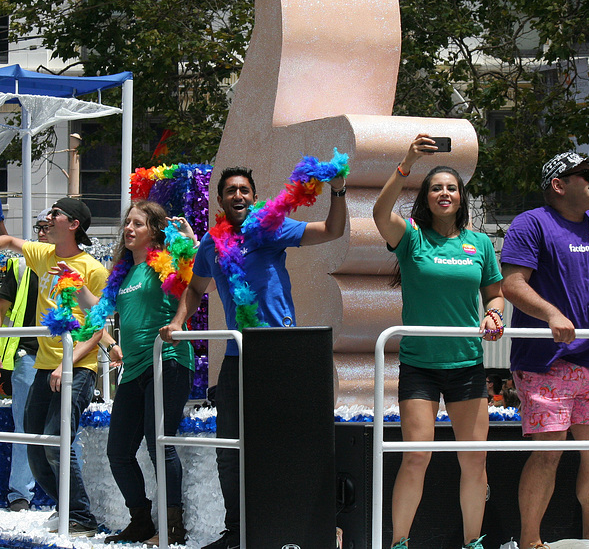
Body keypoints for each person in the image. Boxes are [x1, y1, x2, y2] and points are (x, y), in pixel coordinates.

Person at [160, 162, 347, 549]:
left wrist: (339, 191)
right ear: (221, 199)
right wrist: (179, 322)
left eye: (245, 189)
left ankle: (307, 529)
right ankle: (238, 531)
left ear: (254, 196)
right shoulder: (212, 242)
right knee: (230, 451)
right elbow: (195, 289)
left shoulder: (271, 228)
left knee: (289, 444)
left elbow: (331, 231)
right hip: (238, 354)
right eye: (231, 190)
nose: (238, 196)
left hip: (282, 351)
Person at [501, 151, 589, 549]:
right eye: (584, 174)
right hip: (544, 362)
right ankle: (530, 542)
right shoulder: (532, 223)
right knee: (548, 455)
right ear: (559, 186)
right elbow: (512, 284)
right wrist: (551, 315)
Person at [372, 134, 504, 549]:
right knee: (416, 457)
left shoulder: (480, 243)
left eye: (451, 187)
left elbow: (494, 292)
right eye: (436, 188)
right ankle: (399, 542)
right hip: (419, 366)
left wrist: (494, 312)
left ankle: (472, 542)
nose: (444, 193)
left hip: (467, 364)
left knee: (474, 460)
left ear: (460, 197)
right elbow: (379, 212)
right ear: (426, 198)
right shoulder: (411, 237)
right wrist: (407, 161)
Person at [54, 201, 197, 545]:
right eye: (127, 223)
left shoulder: (161, 263)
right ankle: (142, 520)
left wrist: (188, 247)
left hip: (168, 361)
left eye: (138, 223)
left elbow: (191, 282)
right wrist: (72, 282)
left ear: (155, 231)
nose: (129, 228)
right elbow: (99, 308)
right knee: (118, 452)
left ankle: (173, 527)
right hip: (133, 370)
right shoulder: (124, 272)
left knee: (158, 444)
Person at [0, 198, 108, 536]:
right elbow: (7, 241)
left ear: (73, 224)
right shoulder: (43, 255)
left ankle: (82, 516)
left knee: (53, 439)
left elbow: (99, 328)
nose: (47, 219)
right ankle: (68, 507)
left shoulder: (93, 269)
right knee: (33, 443)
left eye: (54, 214)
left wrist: (68, 363)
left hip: (77, 365)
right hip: (46, 367)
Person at [0, 208, 50, 511]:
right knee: (24, 426)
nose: (42, 232)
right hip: (27, 358)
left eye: (47, 226)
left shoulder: (73, 266)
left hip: (64, 359)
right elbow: (2, 310)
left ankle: (67, 500)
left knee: (63, 430)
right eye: (39, 227)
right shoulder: (18, 267)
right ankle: (20, 495)